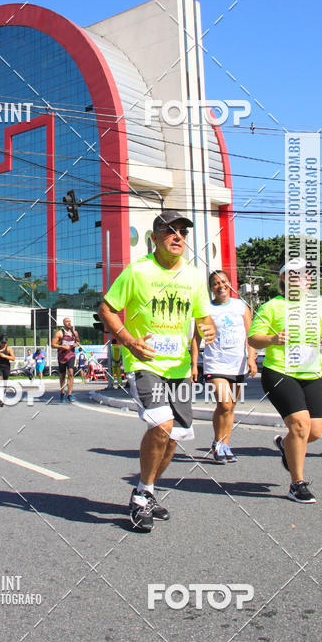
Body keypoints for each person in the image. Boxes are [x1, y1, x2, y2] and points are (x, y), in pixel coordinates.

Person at [98, 209, 216, 532]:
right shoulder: (137, 271)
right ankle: (142, 497)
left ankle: (146, 490)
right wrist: (128, 341)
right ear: (154, 238)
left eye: (182, 232)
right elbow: (106, 309)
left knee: (174, 436)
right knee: (161, 424)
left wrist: (209, 329)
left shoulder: (195, 277)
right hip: (144, 362)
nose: (178, 236)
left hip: (178, 367)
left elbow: (204, 318)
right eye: (169, 231)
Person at [248, 258, 322, 503]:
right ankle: (297, 484)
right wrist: (273, 339)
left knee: (314, 432)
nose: (302, 278)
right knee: (299, 425)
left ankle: (286, 445)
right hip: (280, 372)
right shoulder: (272, 307)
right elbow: (253, 338)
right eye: (295, 274)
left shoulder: (319, 306)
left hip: (312, 374)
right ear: (285, 278)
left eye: (306, 274)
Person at [192, 270, 257, 464]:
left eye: (223, 282)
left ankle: (224, 444)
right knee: (224, 404)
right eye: (216, 283)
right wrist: (194, 364)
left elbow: (251, 335)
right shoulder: (205, 309)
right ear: (211, 288)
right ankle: (218, 443)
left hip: (237, 364)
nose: (221, 286)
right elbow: (195, 339)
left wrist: (252, 359)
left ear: (230, 284)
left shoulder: (241, 306)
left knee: (230, 408)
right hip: (215, 363)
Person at [52, 317, 80, 402]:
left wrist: (76, 344)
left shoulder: (74, 332)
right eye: (67, 321)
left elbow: (78, 341)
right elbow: (53, 344)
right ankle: (62, 393)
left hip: (71, 355)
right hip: (62, 356)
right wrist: (62, 347)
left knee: (71, 373)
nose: (69, 323)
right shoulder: (60, 333)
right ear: (64, 323)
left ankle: (70, 394)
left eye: (70, 321)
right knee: (62, 375)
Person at [0, 334, 15, 406]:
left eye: (5, 342)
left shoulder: (9, 349)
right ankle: (1, 399)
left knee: (4, 383)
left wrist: (5, 356)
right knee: (0, 382)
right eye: (2, 342)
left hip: (6, 367)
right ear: (0, 342)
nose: (3, 344)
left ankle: (3, 394)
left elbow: (13, 358)